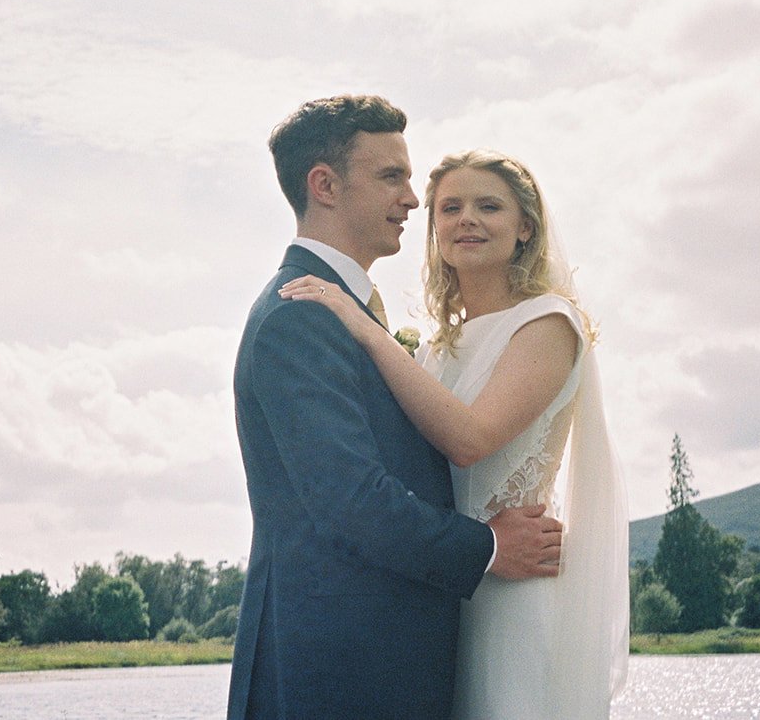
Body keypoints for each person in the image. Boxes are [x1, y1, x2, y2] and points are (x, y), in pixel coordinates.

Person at [229, 97, 567, 720]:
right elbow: (353, 502)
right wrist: (488, 549)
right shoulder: (299, 317)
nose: (414, 200)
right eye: (392, 177)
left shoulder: (344, 313)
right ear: (324, 185)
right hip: (337, 677)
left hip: (387, 666)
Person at [280, 149, 629, 720]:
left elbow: (470, 439)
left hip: (515, 591)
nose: (466, 218)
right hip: (445, 589)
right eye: (450, 208)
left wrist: (370, 334)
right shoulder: (438, 348)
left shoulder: (546, 323)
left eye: (488, 206)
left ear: (525, 228)